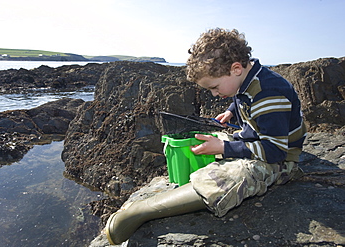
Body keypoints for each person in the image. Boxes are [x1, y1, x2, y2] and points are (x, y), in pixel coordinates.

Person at [105, 28, 307, 245]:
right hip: (253, 140)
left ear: (236, 68)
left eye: (214, 87)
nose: (214, 94)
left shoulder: (270, 93)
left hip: (280, 159)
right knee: (202, 139)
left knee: (232, 177)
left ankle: (141, 211)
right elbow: (244, 97)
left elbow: (276, 150)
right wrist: (231, 110)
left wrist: (223, 149)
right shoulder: (248, 78)